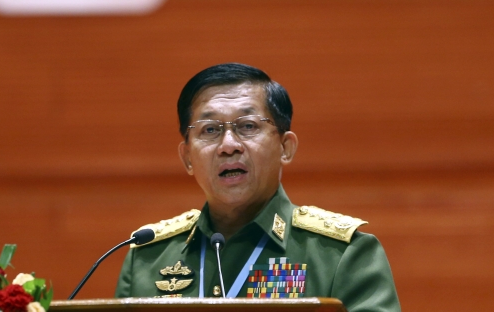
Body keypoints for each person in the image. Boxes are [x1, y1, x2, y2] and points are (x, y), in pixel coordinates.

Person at [115, 63, 400, 312]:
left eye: (248, 126)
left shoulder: (342, 254)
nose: (228, 145)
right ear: (187, 157)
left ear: (285, 147)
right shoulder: (147, 257)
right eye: (210, 129)